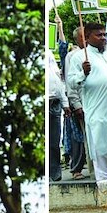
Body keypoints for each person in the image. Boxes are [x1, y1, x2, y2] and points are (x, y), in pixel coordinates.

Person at [66, 22, 107, 180]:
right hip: (96, 107)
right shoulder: (79, 57)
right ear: (87, 37)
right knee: (99, 145)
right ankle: (103, 183)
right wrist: (83, 73)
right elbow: (72, 83)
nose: (103, 38)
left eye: (104, 34)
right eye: (99, 35)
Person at [62, 25, 89, 178]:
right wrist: (75, 103)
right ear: (79, 39)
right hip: (80, 101)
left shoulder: (97, 53)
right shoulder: (72, 56)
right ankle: (76, 168)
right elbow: (70, 81)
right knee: (79, 136)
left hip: (95, 100)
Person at [47, 48, 66, 181]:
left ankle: (55, 171)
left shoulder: (49, 54)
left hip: (55, 103)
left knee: (54, 141)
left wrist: (65, 103)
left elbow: (58, 79)